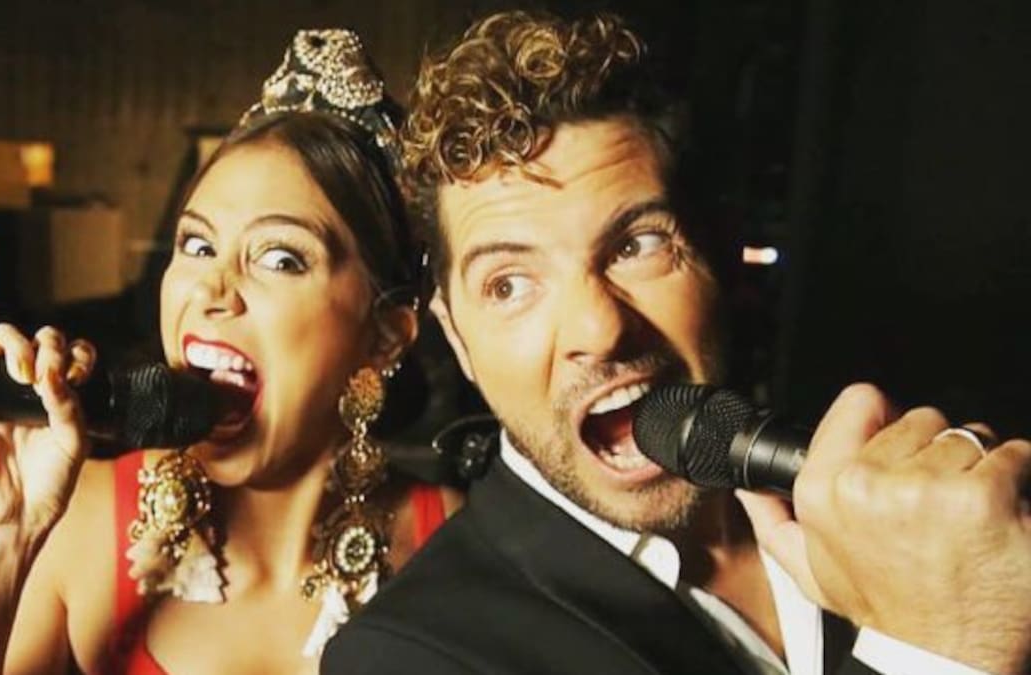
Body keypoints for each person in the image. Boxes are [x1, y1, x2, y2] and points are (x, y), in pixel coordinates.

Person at [323, 11, 1031, 675]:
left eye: (636, 245)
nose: (599, 329)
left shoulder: (887, 497)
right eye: (509, 285)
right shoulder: (407, 652)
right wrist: (935, 645)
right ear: (458, 338)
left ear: (718, 255)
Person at [0, 29, 459, 675]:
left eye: (280, 258)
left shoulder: (452, 547)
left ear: (385, 334)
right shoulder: (84, 520)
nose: (211, 290)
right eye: (197, 246)